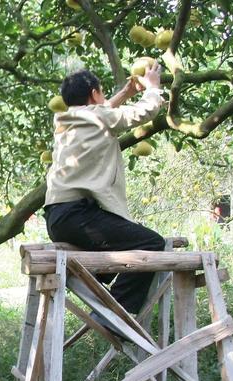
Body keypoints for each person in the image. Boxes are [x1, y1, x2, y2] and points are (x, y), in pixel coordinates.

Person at [43, 64, 165, 321]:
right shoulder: (98, 118)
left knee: (114, 256)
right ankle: (114, 315)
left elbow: (102, 112)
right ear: (94, 93)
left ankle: (96, 296)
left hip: (58, 217)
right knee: (152, 243)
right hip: (78, 215)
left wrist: (125, 93)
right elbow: (142, 113)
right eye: (100, 93)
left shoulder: (67, 121)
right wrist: (153, 88)